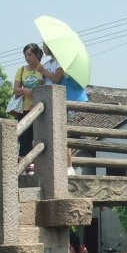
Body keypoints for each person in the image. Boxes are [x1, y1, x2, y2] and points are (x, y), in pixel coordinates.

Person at [39, 44, 87, 173]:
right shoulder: (47, 63)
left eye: (45, 46)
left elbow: (56, 78)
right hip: (47, 99)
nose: (43, 48)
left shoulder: (60, 62)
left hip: (60, 99)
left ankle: (69, 167)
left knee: (62, 133)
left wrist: (43, 72)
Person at [12, 43, 46, 171]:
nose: (27, 57)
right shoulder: (21, 70)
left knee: (39, 138)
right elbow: (16, 89)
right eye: (25, 55)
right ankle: (23, 168)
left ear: (37, 54)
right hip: (24, 109)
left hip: (39, 109)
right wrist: (25, 91)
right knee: (24, 139)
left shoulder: (43, 69)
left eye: (30, 54)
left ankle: (37, 167)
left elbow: (46, 86)